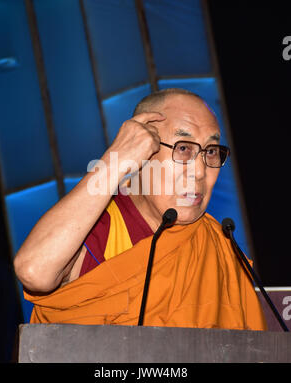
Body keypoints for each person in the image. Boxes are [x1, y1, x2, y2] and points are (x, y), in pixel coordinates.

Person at [14, 88, 267, 330]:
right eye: (183, 148)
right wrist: (116, 160)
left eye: (210, 151)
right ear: (141, 153)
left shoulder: (219, 249)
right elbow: (34, 271)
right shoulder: (98, 226)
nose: (200, 171)